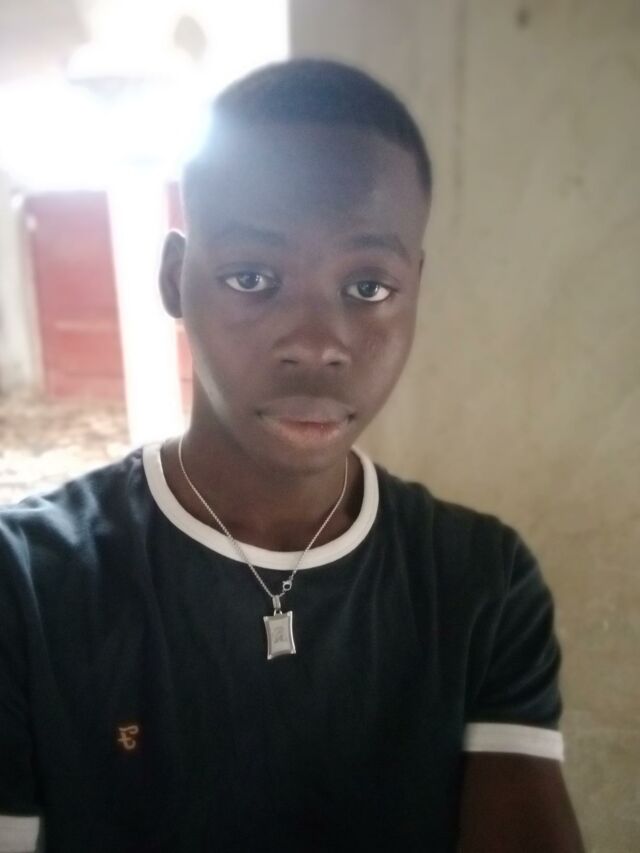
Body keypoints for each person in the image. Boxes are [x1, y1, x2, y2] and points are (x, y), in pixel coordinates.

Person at [0, 59, 584, 852]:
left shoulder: (482, 582)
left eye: (369, 287)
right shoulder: (27, 587)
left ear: (416, 287)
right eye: (252, 276)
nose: (317, 342)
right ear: (175, 280)